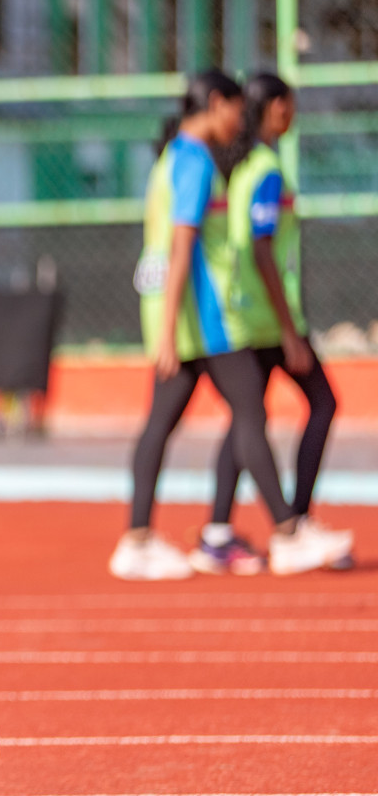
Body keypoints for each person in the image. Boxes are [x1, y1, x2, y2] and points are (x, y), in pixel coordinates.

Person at [112, 70, 349, 581]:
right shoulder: (195, 160)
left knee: (165, 424)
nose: (241, 121)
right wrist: (171, 328)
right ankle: (286, 532)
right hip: (206, 318)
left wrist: (165, 323)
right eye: (236, 110)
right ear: (216, 104)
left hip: (186, 317)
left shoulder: (174, 158)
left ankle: (143, 538)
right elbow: (182, 246)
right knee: (247, 414)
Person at [190, 73, 352, 575]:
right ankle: (294, 523)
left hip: (251, 313)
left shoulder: (243, 168)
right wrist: (287, 327)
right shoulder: (262, 168)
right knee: (322, 402)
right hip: (265, 318)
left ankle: (219, 530)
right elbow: (261, 248)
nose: (294, 114)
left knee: (247, 418)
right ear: (275, 108)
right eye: (290, 105)